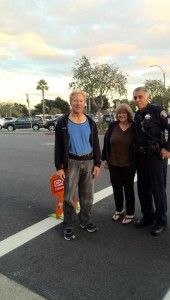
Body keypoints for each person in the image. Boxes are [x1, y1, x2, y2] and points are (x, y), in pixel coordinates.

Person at [54, 90, 101, 241]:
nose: (78, 103)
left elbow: (95, 144)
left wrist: (97, 163)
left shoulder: (90, 122)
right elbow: (58, 147)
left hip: (88, 162)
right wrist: (59, 167)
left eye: (81, 101)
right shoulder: (62, 122)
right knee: (69, 196)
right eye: (75, 100)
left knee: (88, 196)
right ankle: (68, 226)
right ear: (71, 102)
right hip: (71, 163)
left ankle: (85, 221)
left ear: (85, 103)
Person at [133, 86, 170, 236]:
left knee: (158, 190)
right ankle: (148, 216)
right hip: (141, 158)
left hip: (156, 157)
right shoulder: (137, 115)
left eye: (140, 97)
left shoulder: (158, 111)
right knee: (143, 189)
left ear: (148, 97)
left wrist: (168, 148)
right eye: (135, 98)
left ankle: (161, 221)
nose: (138, 100)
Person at [102, 104, 135, 225]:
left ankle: (130, 212)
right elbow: (106, 142)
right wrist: (104, 158)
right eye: (119, 113)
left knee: (128, 188)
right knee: (116, 188)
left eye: (124, 113)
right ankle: (119, 209)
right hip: (113, 163)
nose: (121, 115)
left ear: (128, 114)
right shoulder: (112, 126)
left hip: (129, 164)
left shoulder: (134, 127)